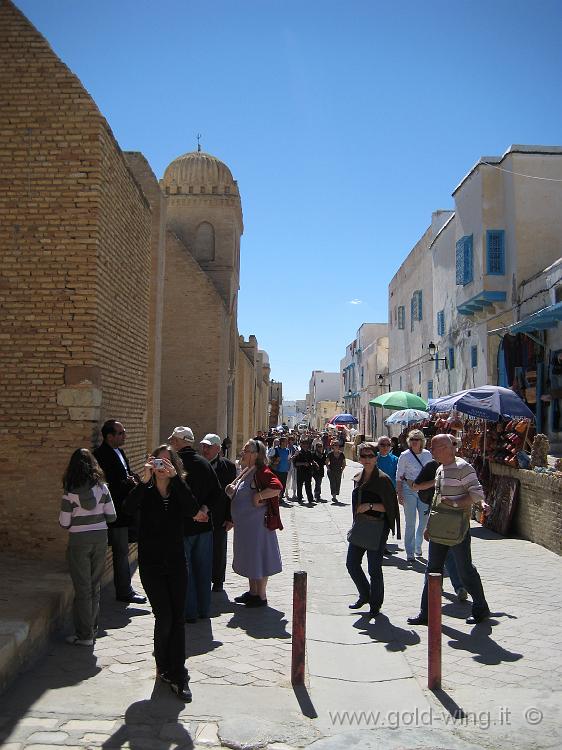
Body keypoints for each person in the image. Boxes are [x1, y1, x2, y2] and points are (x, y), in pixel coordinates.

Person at [123, 445, 201, 702]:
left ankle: (177, 672)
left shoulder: (180, 488)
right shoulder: (144, 490)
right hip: (151, 563)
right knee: (164, 615)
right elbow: (127, 508)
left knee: (177, 617)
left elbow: (192, 509)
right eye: (158, 461)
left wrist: (176, 480)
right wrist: (145, 481)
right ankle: (164, 664)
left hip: (177, 561)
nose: (161, 467)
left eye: (167, 463)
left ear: (175, 466)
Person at [407, 434, 492, 626]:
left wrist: (456, 503)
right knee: (432, 571)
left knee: (465, 571)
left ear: (446, 448)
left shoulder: (464, 468)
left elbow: (477, 493)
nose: (432, 451)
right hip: (439, 529)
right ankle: (426, 613)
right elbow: (436, 500)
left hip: (458, 530)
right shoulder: (439, 470)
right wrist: (428, 527)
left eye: (434, 448)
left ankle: (481, 607)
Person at [59, 449, 117, 646]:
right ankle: (91, 630)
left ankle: (84, 635)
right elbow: (112, 516)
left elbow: (64, 522)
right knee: (94, 585)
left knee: (82, 588)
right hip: (100, 538)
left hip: (79, 541)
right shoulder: (103, 488)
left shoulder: (70, 492)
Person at [168, 426, 222, 623]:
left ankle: (189, 612)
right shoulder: (204, 463)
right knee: (203, 569)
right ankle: (203, 609)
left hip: (183, 527)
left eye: (173, 440)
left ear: (180, 441)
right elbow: (218, 493)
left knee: (186, 571)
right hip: (204, 527)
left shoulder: (175, 465)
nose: (171, 443)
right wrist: (205, 510)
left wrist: (195, 512)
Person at [93, 420, 146, 604]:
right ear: (110, 436)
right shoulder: (101, 455)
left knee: (123, 550)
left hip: (124, 511)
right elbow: (108, 485)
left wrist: (132, 479)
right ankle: (124, 591)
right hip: (114, 512)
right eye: (121, 433)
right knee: (121, 551)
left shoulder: (120, 452)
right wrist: (128, 483)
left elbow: (125, 475)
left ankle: (125, 589)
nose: (124, 436)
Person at [346, 442, 401, 619]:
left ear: (376, 458)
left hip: (378, 527)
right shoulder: (358, 477)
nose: (367, 459)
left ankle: (375, 605)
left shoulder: (383, 480)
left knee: (374, 568)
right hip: (361, 526)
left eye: (370, 456)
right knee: (352, 564)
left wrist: (370, 506)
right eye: (364, 456)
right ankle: (365, 594)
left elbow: (390, 507)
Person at [226, 439, 283, 606]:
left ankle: (261, 596)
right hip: (247, 527)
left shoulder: (262, 471)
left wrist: (258, 496)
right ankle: (252, 592)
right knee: (251, 558)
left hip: (258, 527)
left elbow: (277, 487)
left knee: (259, 558)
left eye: (246, 450)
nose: (243, 453)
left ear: (256, 455)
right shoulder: (247, 470)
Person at [199, 433, 237, 593]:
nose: (205, 449)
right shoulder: (197, 464)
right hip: (200, 515)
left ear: (218, 449)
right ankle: (201, 577)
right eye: (204, 446)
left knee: (219, 549)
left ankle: (218, 580)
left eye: (209, 447)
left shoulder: (228, 467)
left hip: (220, 515)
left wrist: (230, 518)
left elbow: (231, 496)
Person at [396, 429, 433, 564]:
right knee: (410, 522)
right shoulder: (404, 455)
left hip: (424, 490)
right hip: (408, 489)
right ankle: (410, 552)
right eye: (412, 439)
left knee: (423, 522)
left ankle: (418, 546)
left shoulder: (427, 455)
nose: (414, 442)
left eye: (416, 439)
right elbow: (399, 476)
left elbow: (432, 472)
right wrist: (399, 493)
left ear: (422, 441)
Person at [293, 438, 315, 504]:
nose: (305, 445)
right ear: (301, 445)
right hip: (300, 471)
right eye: (304, 444)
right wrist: (303, 463)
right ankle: (299, 498)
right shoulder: (298, 453)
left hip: (308, 472)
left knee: (308, 486)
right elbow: (295, 463)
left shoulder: (309, 453)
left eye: (306, 444)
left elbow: (311, 460)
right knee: (299, 486)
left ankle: (310, 499)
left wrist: (314, 463)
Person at [270, 436, 291, 500]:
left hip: (285, 471)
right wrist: (276, 460)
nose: (287, 443)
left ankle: (280, 497)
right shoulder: (275, 449)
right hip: (277, 470)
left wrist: (288, 467)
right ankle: (276, 497)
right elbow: (270, 459)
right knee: (277, 485)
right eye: (285, 441)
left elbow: (288, 459)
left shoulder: (287, 450)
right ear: (281, 442)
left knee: (283, 485)